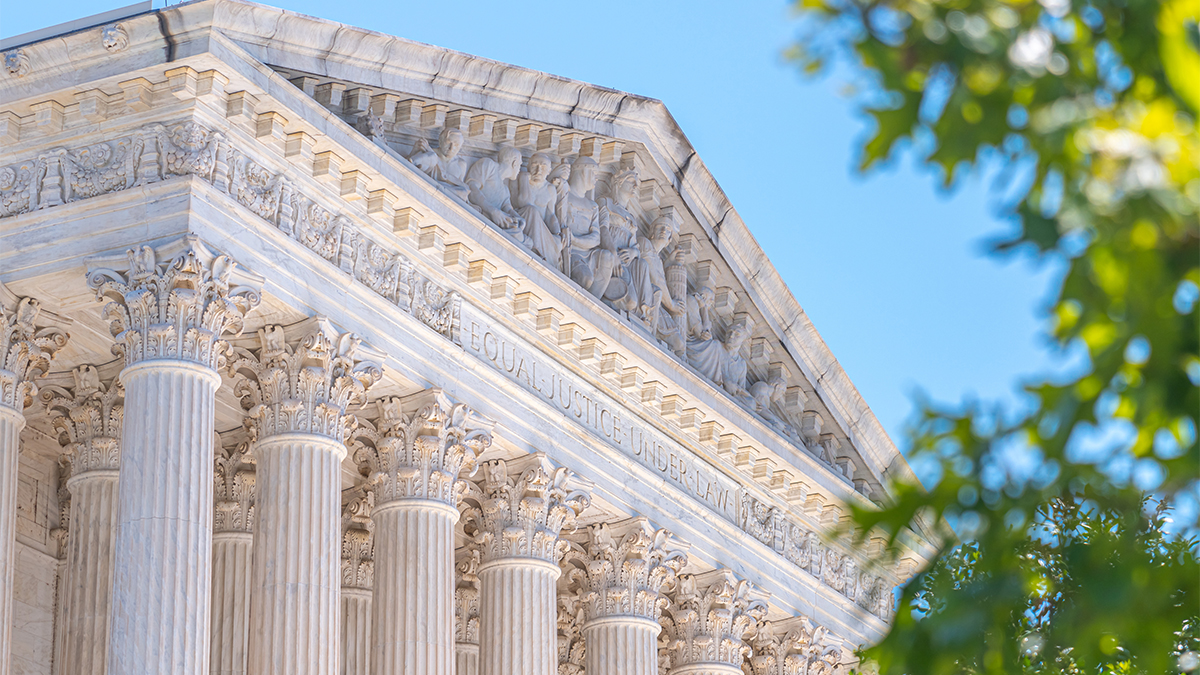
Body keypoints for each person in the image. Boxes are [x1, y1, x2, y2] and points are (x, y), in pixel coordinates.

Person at [557, 156, 617, 298]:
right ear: (582, 172)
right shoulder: (565, 195)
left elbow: (596, 238)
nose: (596, 178)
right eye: (593, 174)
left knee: (608, 257)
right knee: (586, 279)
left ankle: (594, 303)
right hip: (572, 252)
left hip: (588, 253)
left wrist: (575, 239)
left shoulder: (592, 206)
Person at [509, 152, 567, 268]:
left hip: (541, 230)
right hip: (521, 222)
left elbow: (550, 215)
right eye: (535, 165)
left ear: (549, 171)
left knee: (555, 242)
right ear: (529, 166)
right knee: (531, 211)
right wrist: (524, 179)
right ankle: (535, 251)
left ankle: (540, 252)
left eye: (543, 167)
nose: (538, 170)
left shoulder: (550, 189)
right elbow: (523, 203)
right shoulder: (517, 180)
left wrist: (557, 233)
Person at [466, 146, 528, 246]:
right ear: (514, 162)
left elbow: (507, 208)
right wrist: (493, 211)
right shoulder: (488, 165)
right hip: (479, 216)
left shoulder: (505, 190)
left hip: (496, 224)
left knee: (525, 240)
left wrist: (519, 218)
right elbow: (471, 189)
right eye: (520, 165)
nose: (519, 169)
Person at [409, 125, 470, 200]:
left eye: (456, 145)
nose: (451, 148)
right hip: (427, 189)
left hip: (447, 197)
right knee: (432, 157)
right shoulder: (430, 153)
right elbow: (410, 168)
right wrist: (414, 152)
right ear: (441, 141)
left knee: (462, 192)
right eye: (449, 143)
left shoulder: (461, 163)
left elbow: (460, 187)